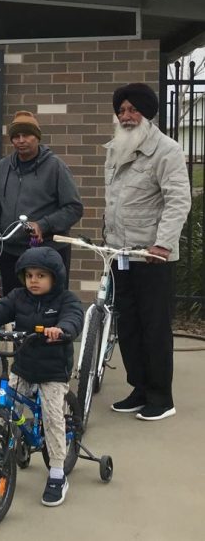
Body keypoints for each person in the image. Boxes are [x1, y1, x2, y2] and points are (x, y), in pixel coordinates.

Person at [0, 247, 84, 507]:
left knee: (52, 418)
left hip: (52, 371)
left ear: (55, 278)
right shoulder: (18, 297)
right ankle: (10, 446)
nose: (34, 281)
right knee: (10, 407)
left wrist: (61, 330)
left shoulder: (65, 300)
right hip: (24, 365)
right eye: (29, 275)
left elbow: (74, 318)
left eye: (41, 275)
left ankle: (57, 473)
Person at [104, 83, 190, 421]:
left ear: (146, 113)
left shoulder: (166, 150)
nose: (126, 116)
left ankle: (160, 396)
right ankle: (138, 388)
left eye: (132, 110)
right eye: (122, 110)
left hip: (152, 255)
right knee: (127, 325)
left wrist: (163, 245)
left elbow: (178, 200)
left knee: (154, 326)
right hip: (119, 253)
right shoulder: (114, 149)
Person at [0, 110, 83, 290]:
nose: (21, 140)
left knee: (48, 310)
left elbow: (74, 208)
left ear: (37, 137)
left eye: (26, 135)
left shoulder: (55, 166)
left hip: (48, 252)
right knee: (12, 309)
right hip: (10, 253)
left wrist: (43, 225)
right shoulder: (3, 167)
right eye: (16, 136)